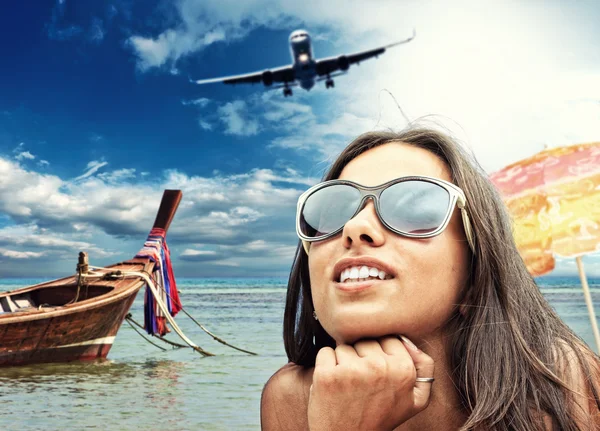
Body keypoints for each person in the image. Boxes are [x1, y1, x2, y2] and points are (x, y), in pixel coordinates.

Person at [260, 127, 600, 430]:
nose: (354, 227)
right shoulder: (290, 399)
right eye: (331, 212)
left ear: (475, 270)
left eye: (416, 210)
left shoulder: (562, 382)